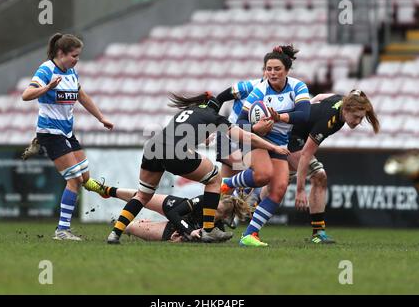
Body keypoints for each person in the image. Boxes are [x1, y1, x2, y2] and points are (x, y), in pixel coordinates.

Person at [106, 91, 290, 244]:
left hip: (153, 146)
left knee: (143, 195)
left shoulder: (188, 111)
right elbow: (246, 137)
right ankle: (209, 229)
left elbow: (187, 131)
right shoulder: (215, 117)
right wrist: (273, 147)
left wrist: (204, 136)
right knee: (214, 179)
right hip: (175, 151)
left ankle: (115, 233)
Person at [21, 33, 114, 241]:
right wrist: (47, 87)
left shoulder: (71, 72)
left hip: (67, 132)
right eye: (74, 55)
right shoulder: (46, 70)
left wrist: (101, 118)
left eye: (78, 56)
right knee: (73, 180)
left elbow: (81, 95)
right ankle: (62, 230)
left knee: (85, 178)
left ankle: (106, 191)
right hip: (51, 132)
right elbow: (26, 95)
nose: (77, 60)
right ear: (61, 53)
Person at [220, 44, 311, 247]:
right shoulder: (259, 90)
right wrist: (256, 127)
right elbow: (241, 123)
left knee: (278, 189)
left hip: (280, 142)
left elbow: (305, 115)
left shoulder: (298, 87)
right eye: (268, 69)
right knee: (263, 175)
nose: (272, 73)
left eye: (277, 69)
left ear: (287, 70)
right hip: (255, 139)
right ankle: (227, 184)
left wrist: (279, 116)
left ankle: (250, 235)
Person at [287, 89, 380, 243]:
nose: (357, 122)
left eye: (361, 118)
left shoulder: (342, 100)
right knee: (319, 176)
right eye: (356, 117)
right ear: (346, 110)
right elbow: (305, 155)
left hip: (292, 134)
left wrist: (305, 115)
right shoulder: (329, 121)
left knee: (275, 185)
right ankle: (318, 233)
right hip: (292, 138)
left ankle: (246, 214)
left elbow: (318, 97)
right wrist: (300, 190)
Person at [86, 182, 252, 242]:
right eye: (214, 207)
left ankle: (123, 226)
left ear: (223, 217)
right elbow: (175, 213)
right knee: (141, 196)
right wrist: (189, 231)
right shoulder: (205, 200)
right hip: (174, 207)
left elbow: (207, 239)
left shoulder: (218, 226)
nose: (212, 211)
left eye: (217, 212)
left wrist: (185, 237)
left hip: (173, 228)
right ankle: (106, 190)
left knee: (130, 227)